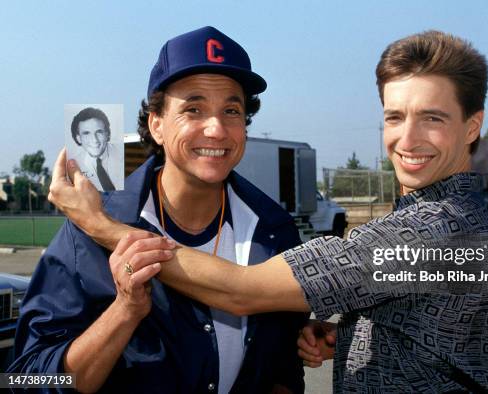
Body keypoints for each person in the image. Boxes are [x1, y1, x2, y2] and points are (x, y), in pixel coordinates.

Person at [48, 30, 488, 393]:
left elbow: (245, 295)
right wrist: (354, 334)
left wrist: (104, 228)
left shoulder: (282, 229)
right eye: (394, 117)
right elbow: (27, 378)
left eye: (433, 117)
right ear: (156, 124)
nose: (406, 140)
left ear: (472, 125)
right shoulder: (77, 240)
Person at [10, 26, 307, 394]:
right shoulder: (87, 230)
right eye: (193, 109)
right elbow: (26, 379)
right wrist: (124, 313)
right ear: (157, 125)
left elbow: (284, 370)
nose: (216, 129)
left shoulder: (273, 229)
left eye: (232, 109)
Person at [71, 107, 117, 191]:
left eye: (99, 132)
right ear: (78, 138)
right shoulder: (75, 166)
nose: (94, 140)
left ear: (107, 134)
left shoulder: (124, 155)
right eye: (86, 133)